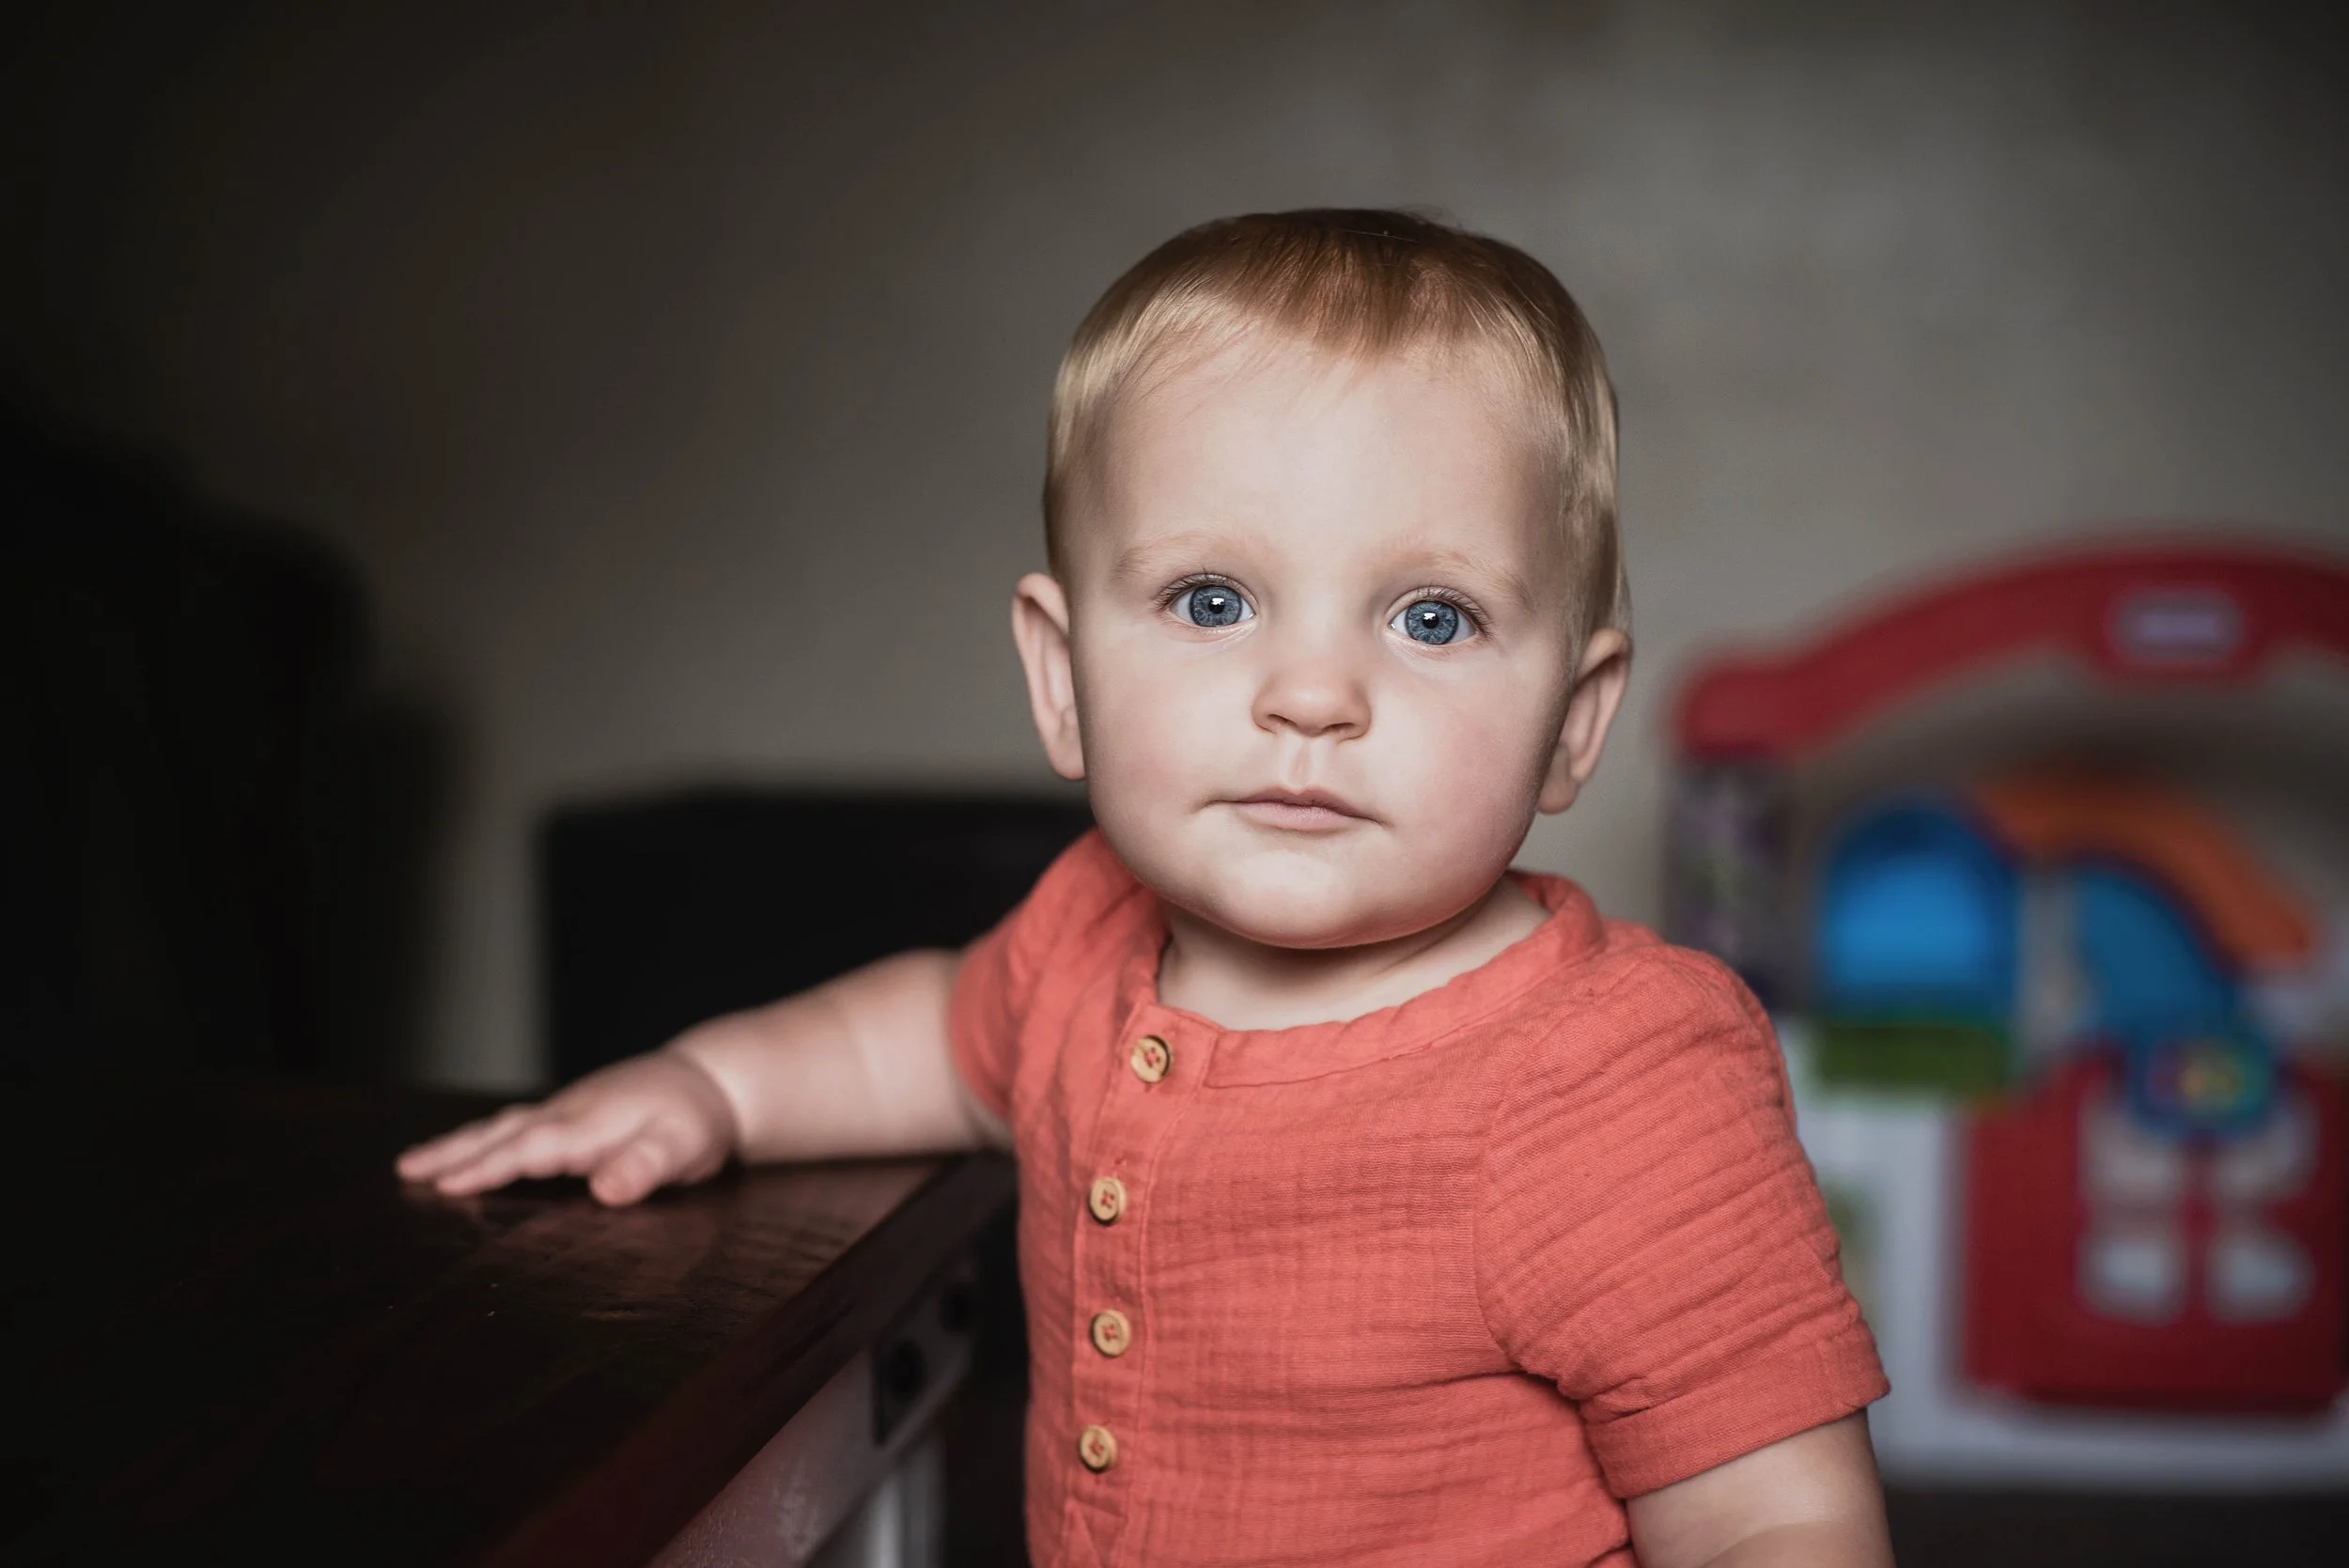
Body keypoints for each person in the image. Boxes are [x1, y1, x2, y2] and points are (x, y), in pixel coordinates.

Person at [398, 210, 1893, 1567]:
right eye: (1212, 600)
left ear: (1573, 719)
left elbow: (1776, 1520)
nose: (1312, 692)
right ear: (1062, 679)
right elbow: (925, 1035)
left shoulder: (1614, 1076)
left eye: (1432, 617)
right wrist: (707, 1086)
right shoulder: (1086, 936)